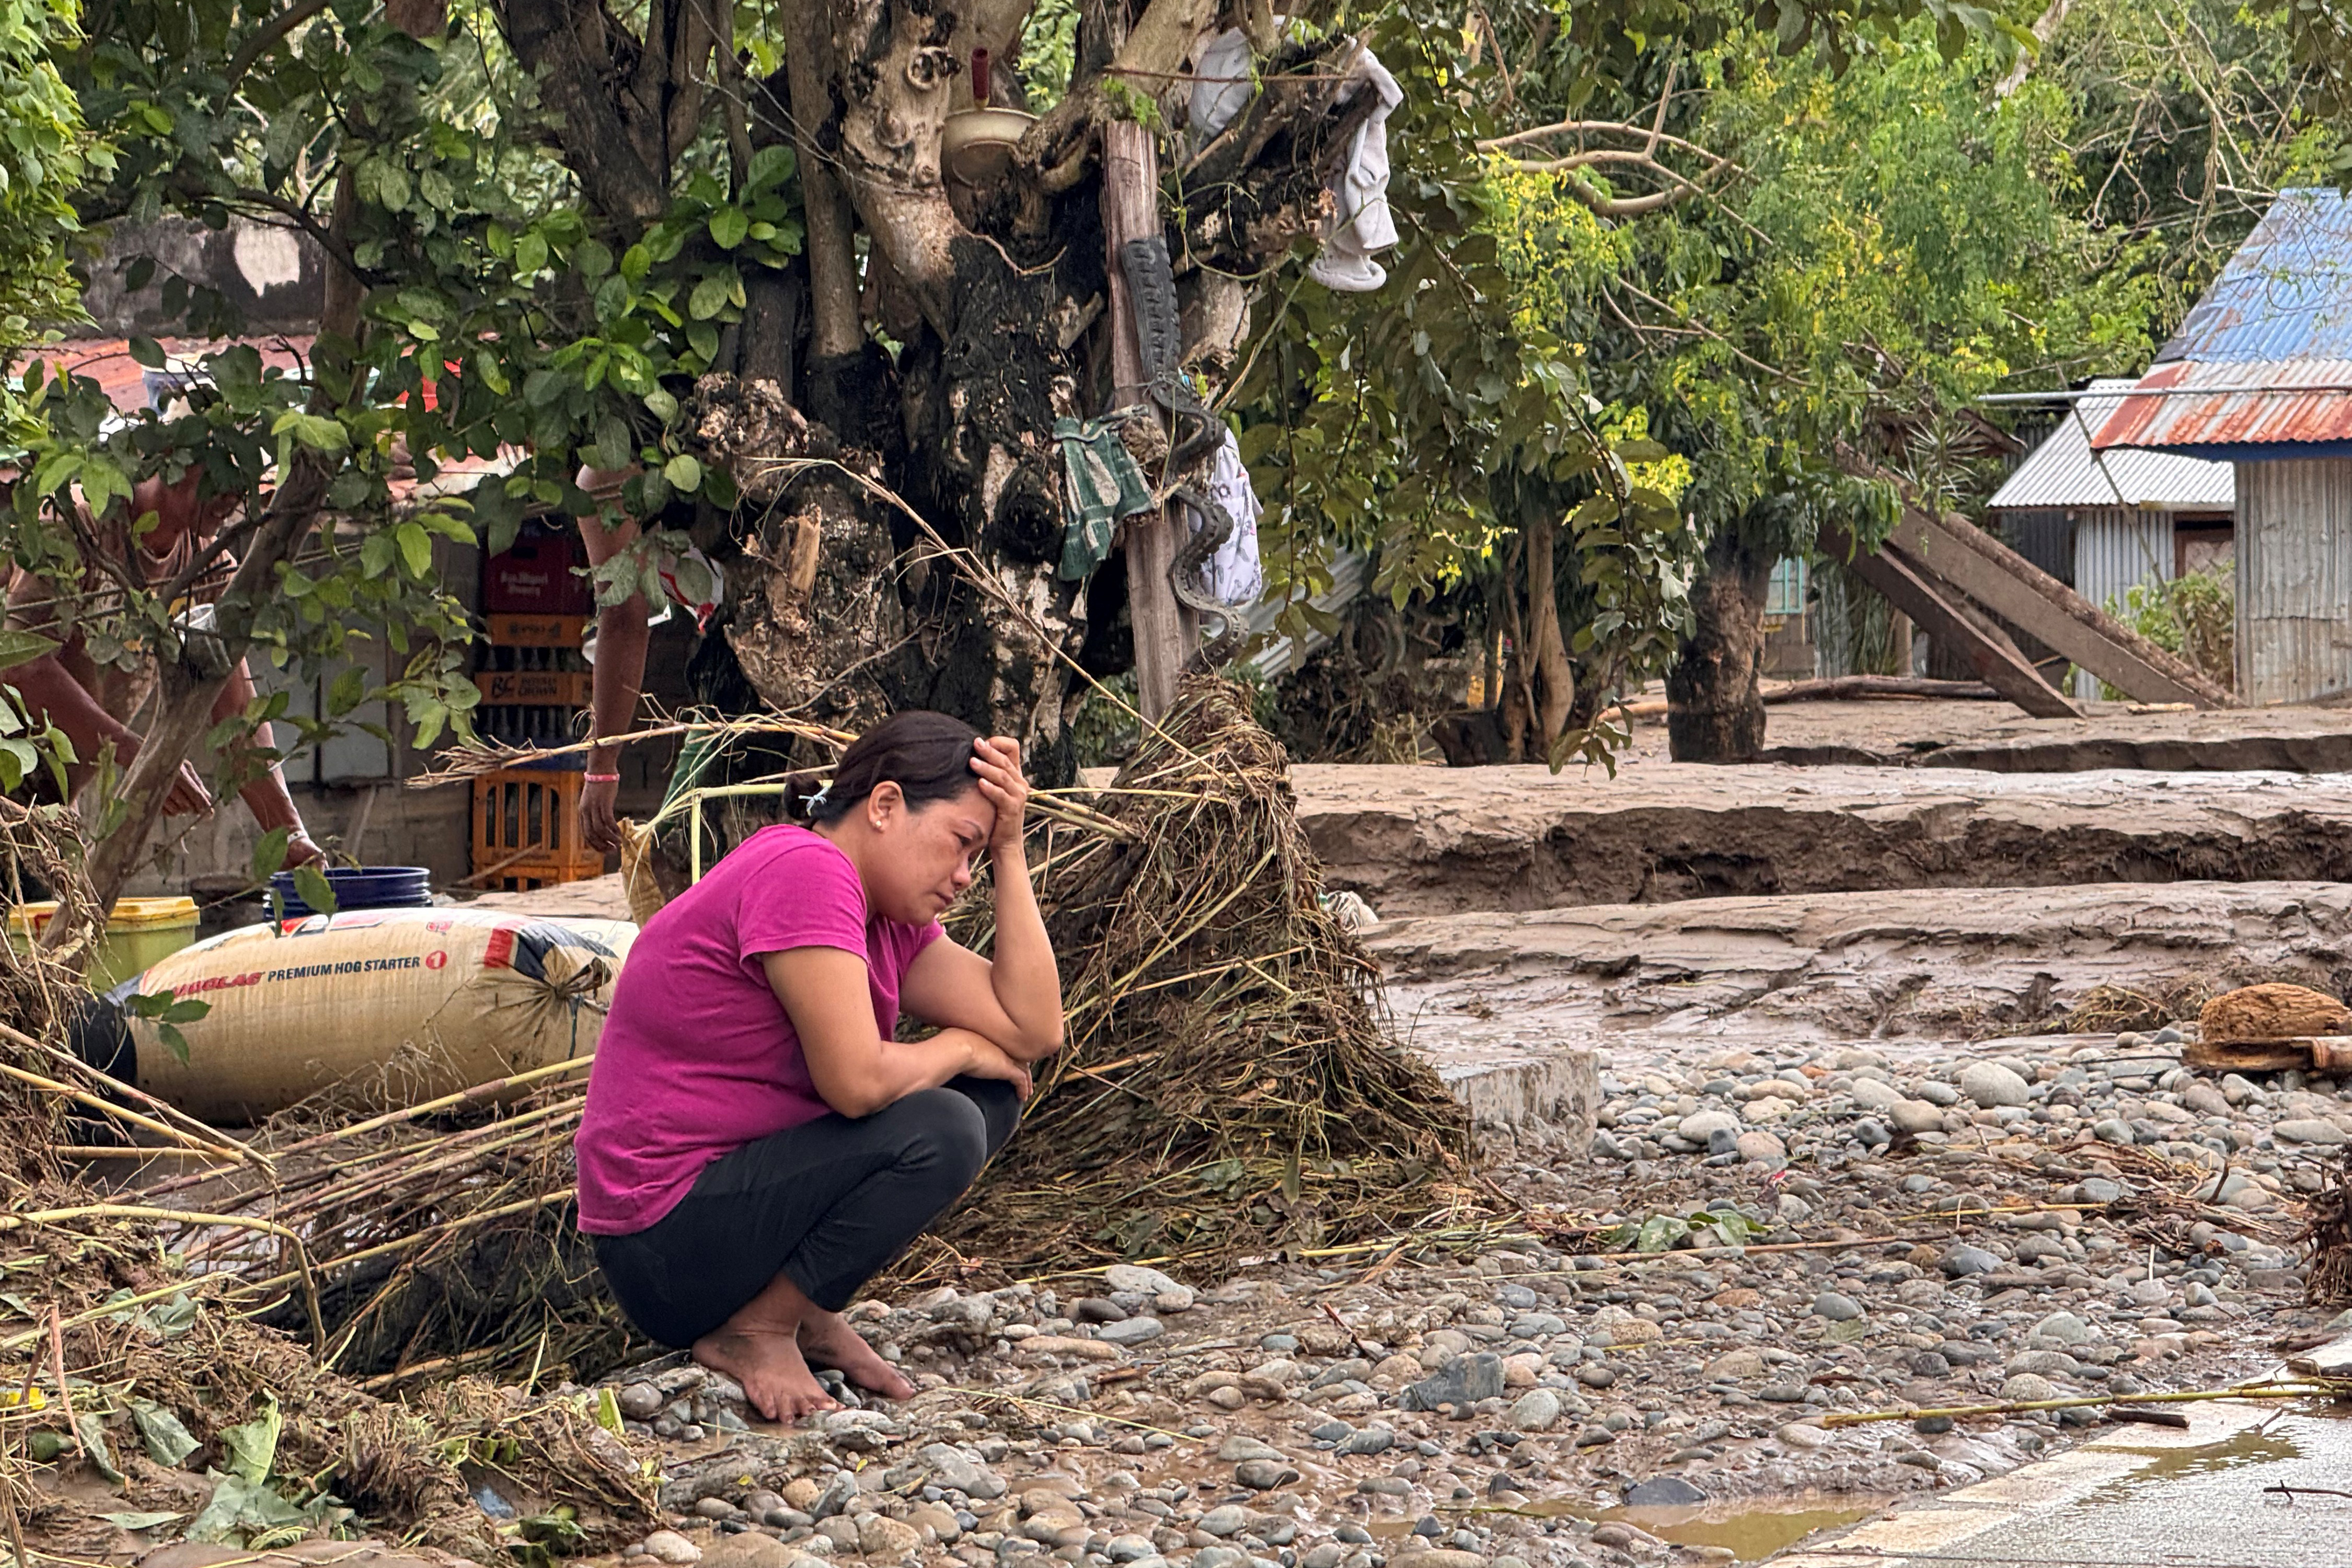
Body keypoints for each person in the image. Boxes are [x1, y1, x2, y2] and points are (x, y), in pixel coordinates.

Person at [574, 710, 1062, 1422]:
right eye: (962, 846)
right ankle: (756, 1328)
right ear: (886, 806)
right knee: (947, 1121)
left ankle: (803, 1313)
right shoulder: (806, 870)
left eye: (977, 861)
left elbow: (1033, 1026)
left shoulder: (887, 920)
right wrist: (955, 1046)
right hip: (663, 1241)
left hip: (727, 1217)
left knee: (986, 1097)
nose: (963, 878)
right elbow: (858, 1084)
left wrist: (1011, 851)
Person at [5, 469, 322, 866]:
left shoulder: (206, 567)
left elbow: (237, 714)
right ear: (176, 458)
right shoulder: (80, 520)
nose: (235, 494)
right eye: (221, 469)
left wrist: (290, 834)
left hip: (48, 808)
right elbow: (20, 664)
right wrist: (137, 753)